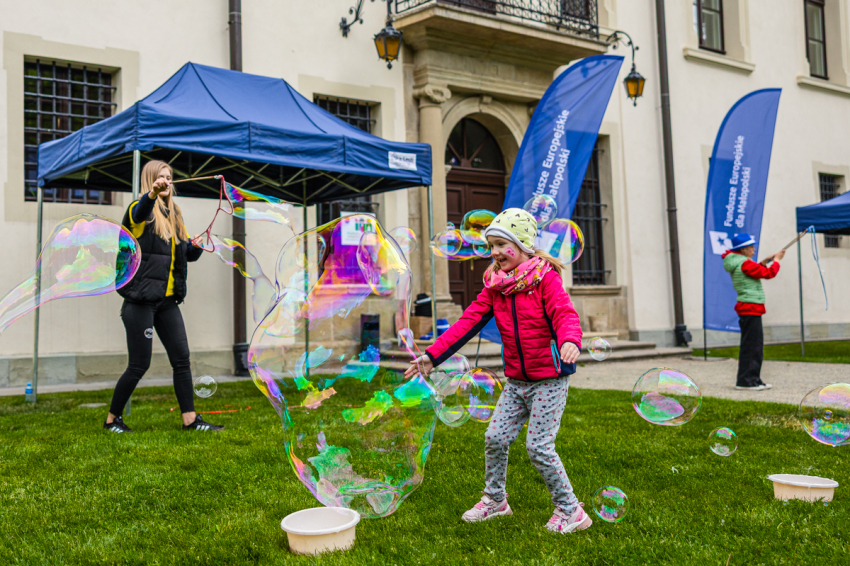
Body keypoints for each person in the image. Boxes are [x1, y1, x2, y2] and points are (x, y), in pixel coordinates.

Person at [404, 208, 589, 534]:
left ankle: (570, 510)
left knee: (539, 447)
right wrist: (433, 357)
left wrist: (570, 340)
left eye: (502, 245)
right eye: (491, 245)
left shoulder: (545, 278)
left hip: (549, 378)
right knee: (494, 437)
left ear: (522, 245)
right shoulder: (496, 286)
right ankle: (495, 501)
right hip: (517, 380)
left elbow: (564, 314)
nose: (494, 252)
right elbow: (467, 323)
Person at [104, 160, 223, 433]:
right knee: (139, 365)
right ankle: (112, 419)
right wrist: (151, 194)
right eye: (161, 177)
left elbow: (186, 255)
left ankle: (190, 420)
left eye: (169, 177)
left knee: (182, 359)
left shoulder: (175, 213)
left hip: (167, 301)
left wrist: (198, 244)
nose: (167, 182)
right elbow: (139, 213)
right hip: (139, 302)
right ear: (151, 180)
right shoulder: (138, 210)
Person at [722, 233, 784, 391]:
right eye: (751, 247)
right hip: (750, 308)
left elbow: (756, 270)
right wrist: (776, 262)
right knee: (752, 346)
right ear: (743, 249)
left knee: (754, 345)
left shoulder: (741, 262)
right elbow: (768, 274)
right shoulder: (744, 263)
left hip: (750, 309)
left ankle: (753, 379)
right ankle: (746, 381)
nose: (753, 250)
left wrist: (765, 261)